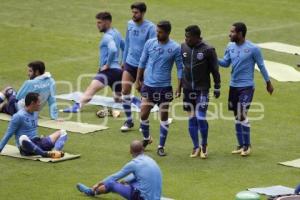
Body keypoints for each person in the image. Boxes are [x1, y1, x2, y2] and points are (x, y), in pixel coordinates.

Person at [218, 22, 274, 156]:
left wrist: (268, 83)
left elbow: (261, 65)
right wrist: (213, 58)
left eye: (232, 32)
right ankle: (240, 145)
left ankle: (247, 146)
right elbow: (226, 63)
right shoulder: (230, 46)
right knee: (236, 115)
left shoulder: (253, 49)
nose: (229, 34)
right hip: (233, 86)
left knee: (242, 112)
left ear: (240, 33)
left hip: (247, 87)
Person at [135, 20, 183, 156]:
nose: (158, 34)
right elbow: (142, 62)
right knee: (143, 113)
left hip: (164, 87)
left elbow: (180, 68)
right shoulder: (150, 43)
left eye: (160, 32)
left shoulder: (175, 48)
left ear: (167, 33)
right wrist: (138, 80)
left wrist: (179, 87)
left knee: (163, 116)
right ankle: (146, 138)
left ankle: (161, 146)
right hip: (149, 86)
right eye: (157, 31)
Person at [63, 11, 124, 113]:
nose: (97, 25)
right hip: (118, 71)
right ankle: (131, 99)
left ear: (107, 22)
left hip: (107, 71)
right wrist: (123, 62)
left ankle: (77, 107)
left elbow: (113, 50)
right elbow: (125, 46)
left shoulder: (107, 37)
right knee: (117, 99)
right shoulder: (116, 32)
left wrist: (108, 64)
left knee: (90, 91)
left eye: (100, 22)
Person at [181, 25, 221, 159]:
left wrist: (217, 86)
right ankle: (195, 146)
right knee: (191, 118)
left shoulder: (208, 50)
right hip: (187, 89)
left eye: (188, 37)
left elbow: (215, 69)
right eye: (185, 36)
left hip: (202, 89)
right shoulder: (183, 47)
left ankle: (204, 144)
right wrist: (179, 86)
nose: (186, 39)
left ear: (197, 37)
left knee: (201, 117)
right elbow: (182, 68)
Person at [76, 140, 162, 200]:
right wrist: (125, 181)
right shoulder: (150, 160)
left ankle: (91, 191)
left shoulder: (134, 163)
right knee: (130, 181)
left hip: (141, 198)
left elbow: (113, 177)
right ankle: (114, 188)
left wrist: (97, 184)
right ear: (143, 149)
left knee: (111, 183)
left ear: (130, 151)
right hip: (156, 197)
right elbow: (134, 176)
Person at [120, 2, 156, 132]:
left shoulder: (151, 28)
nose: (133, 15)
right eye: (132, 12)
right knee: (124, 90)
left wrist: (148, 68)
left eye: (136, 12)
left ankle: (143, 122)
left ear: (142, 13)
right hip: (130, 63)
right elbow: (127, 43)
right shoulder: (129, 24)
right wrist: (123, 61)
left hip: (144, 66)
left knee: (144, 94)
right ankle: (129, 121)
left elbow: (152, 48)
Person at [0, 93, 67, 158]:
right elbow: (8, 135)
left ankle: (55, 152)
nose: (40, 104)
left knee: (63, 132)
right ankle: (44, 154)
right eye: (38, 102)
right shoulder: (18, 116)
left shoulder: (35, 112)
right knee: (22, 137)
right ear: (32, 103)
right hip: (26, 147)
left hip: (38, 143)